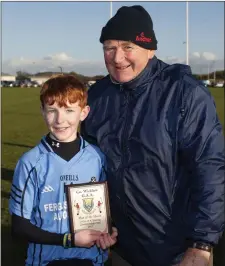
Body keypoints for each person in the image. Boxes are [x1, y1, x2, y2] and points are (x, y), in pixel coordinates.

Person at [81, 5, 225, 266]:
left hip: (175, 249)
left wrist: (201, 243)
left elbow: (210, 169)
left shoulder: (184, 93)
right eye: (109, 48)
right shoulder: (97, 97)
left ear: (150, 49)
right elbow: (87, 165)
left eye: (128, 47)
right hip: (118, 245)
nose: (117, 57)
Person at [9, 74, 117, 266]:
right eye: (52, 110)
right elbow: (19, 227)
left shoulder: (98, 158)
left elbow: (106, 210)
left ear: (83, 113)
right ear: (43, 111)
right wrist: (68, 239)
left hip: (91, 261)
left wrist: (108, 231)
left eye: (69, 110)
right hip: (47, 261)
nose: (60, 119)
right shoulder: (31, 163)